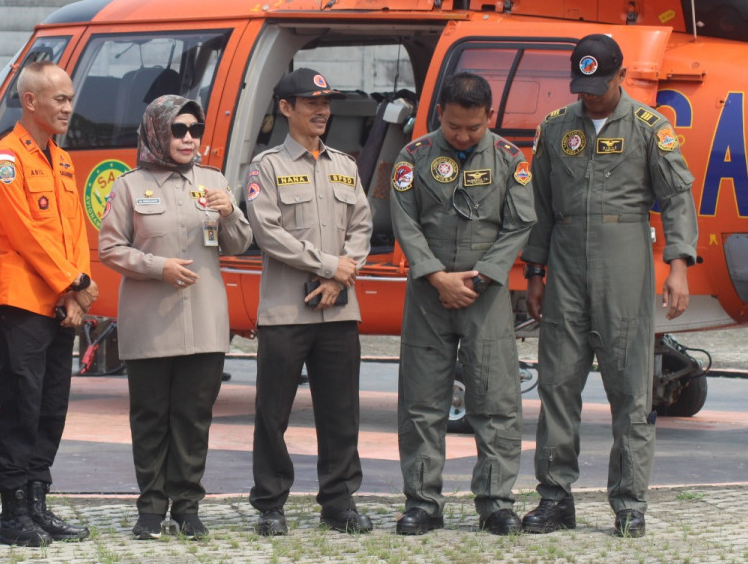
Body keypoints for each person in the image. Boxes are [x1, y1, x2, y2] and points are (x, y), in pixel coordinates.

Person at [521, 33, 698, 538]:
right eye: (582, 88)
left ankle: (629, 503)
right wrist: (535, 273)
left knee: (630, 389)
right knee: (557, 385)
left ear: (621, 75)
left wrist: (678, 265)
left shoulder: (649, 127)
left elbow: (677, 198)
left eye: (600, 86)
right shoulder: (555, 128)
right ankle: (555, 498)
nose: (591, 97)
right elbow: (539, 206)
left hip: (624, 262)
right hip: (564, 265)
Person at [98, 96, 253, 539]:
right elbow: (110, 248)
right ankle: (150, 509)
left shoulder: (213, 180)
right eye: (178, 130)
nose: (189, 138)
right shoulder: (130, 186)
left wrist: (230, 212)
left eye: (195, 130)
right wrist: (157, 266)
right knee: (150, 418)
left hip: (204, 322)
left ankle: (187, 507)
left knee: (193, 418)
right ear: (156, 132)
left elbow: (239, 243)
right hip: (150, 323)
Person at [389, 72, 536, 536]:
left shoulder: (510, 159)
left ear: (489, 116)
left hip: (484, 295)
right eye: (454, 126)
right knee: (421, 402)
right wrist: (436, 276)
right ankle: (422, 503)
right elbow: (404, 221)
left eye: (474, 127)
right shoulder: (414, 157)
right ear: (439, 114)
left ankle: (495, 503)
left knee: (495, 400)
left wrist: (483, 275)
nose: (463, 135)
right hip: (428, 294)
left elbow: (519, 223)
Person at [245, 68, 374, 537]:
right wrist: (329, 265)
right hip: (285, 312)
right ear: (286, 108)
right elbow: (267, 233)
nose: (322, 111)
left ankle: (339, 503)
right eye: (311, 103)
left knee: (341, 412)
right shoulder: (266, 166)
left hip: (339, 308)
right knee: (273, 413)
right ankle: (270, 505)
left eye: (326, 103)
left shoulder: (345, 164)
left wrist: (341, 276)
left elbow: (362, 226)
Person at [0, 60, 97, 547]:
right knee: (21, 407)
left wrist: (76, 292)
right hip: (24, 302)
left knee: (51, 407)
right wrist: (74, 281)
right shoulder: (3, 159)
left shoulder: (62, 160)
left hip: (61, 303)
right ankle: (12, 513)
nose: (69, 107)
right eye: (59, 99)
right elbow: (26, 235)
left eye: (70, 98)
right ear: (30, 101)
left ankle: (36, 502)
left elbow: (75, 231)